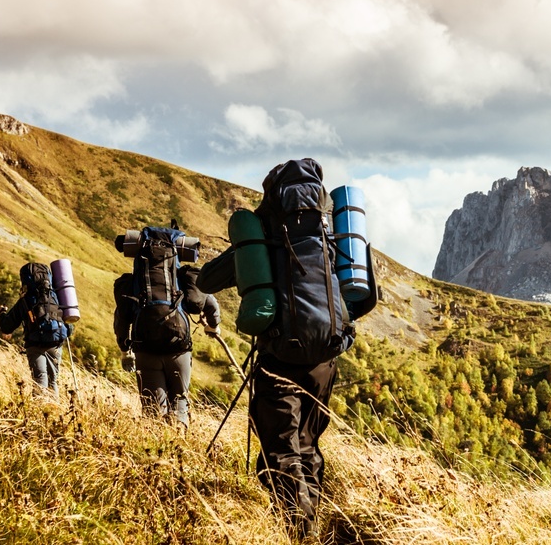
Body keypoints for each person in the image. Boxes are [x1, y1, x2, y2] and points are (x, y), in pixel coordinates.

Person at [197, 159, 369, 540]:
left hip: (279, 358)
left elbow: (208, 279)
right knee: (307, 444)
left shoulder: (263, 233)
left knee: (280, 451)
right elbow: (362, 295)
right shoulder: (334, 233)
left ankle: (299, 533)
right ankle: (312, 521)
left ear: (273, 195)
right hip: (327, 356)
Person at [112, 261, 220, 426]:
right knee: (179, 400)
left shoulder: (134, 282)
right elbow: (210, 303)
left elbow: (121, 320)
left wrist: (125, 351)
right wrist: (212, 327)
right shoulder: (183, 278)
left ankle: (156, 444)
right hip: (179, 349)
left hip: (146, 350)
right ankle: (179, 441)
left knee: (153, 408)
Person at [0, 262, 71, 397]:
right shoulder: (56, 295)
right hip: (56, 342)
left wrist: (2, 313)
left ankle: (40, 411)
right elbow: (69, 325)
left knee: (40, 379)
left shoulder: (26, 300)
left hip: (35, 343)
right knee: (53, 381)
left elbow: (6, 327)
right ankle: (54, 411)